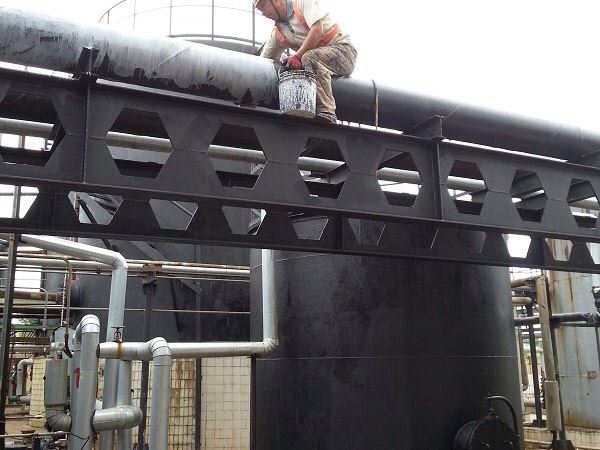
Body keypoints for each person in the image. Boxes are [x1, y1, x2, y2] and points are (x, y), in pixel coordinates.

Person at [253, 0, 357, 123]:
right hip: (318, 60)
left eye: (263, 6)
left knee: (309, 58)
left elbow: (317, 30)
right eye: (259, 10)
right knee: (290, 66)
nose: (263, 13)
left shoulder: (301, 3)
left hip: (344, 51)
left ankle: (327, 112)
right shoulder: (278, 33)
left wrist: (297, 56)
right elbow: (264, 64)